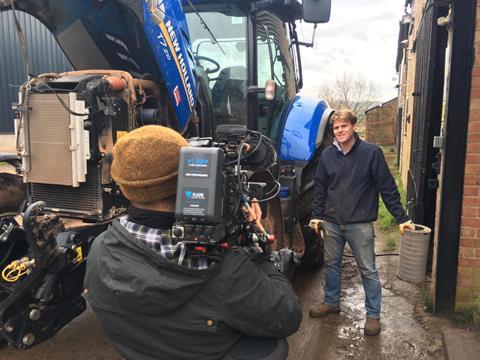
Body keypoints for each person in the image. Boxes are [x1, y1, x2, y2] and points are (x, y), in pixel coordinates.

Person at [84, 125, 302, 360]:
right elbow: (287, 315)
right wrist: (256, 255)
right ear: (187, 177)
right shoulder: (222, 268)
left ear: (125, 189)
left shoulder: (99, 248)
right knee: (273, 348)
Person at [308, 110, 414, 336]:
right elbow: (320, 189)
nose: (340, 131)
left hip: (360, 225)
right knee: (331, 264)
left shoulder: (371, 153)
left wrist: (402, 218)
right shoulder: (328, 155)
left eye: (344, 126)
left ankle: (373, 315)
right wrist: (317, 215)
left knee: (368, 270)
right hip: (332, 222)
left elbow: (387, 188)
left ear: (353, 126)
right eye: (336, 128)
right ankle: (331, 302)